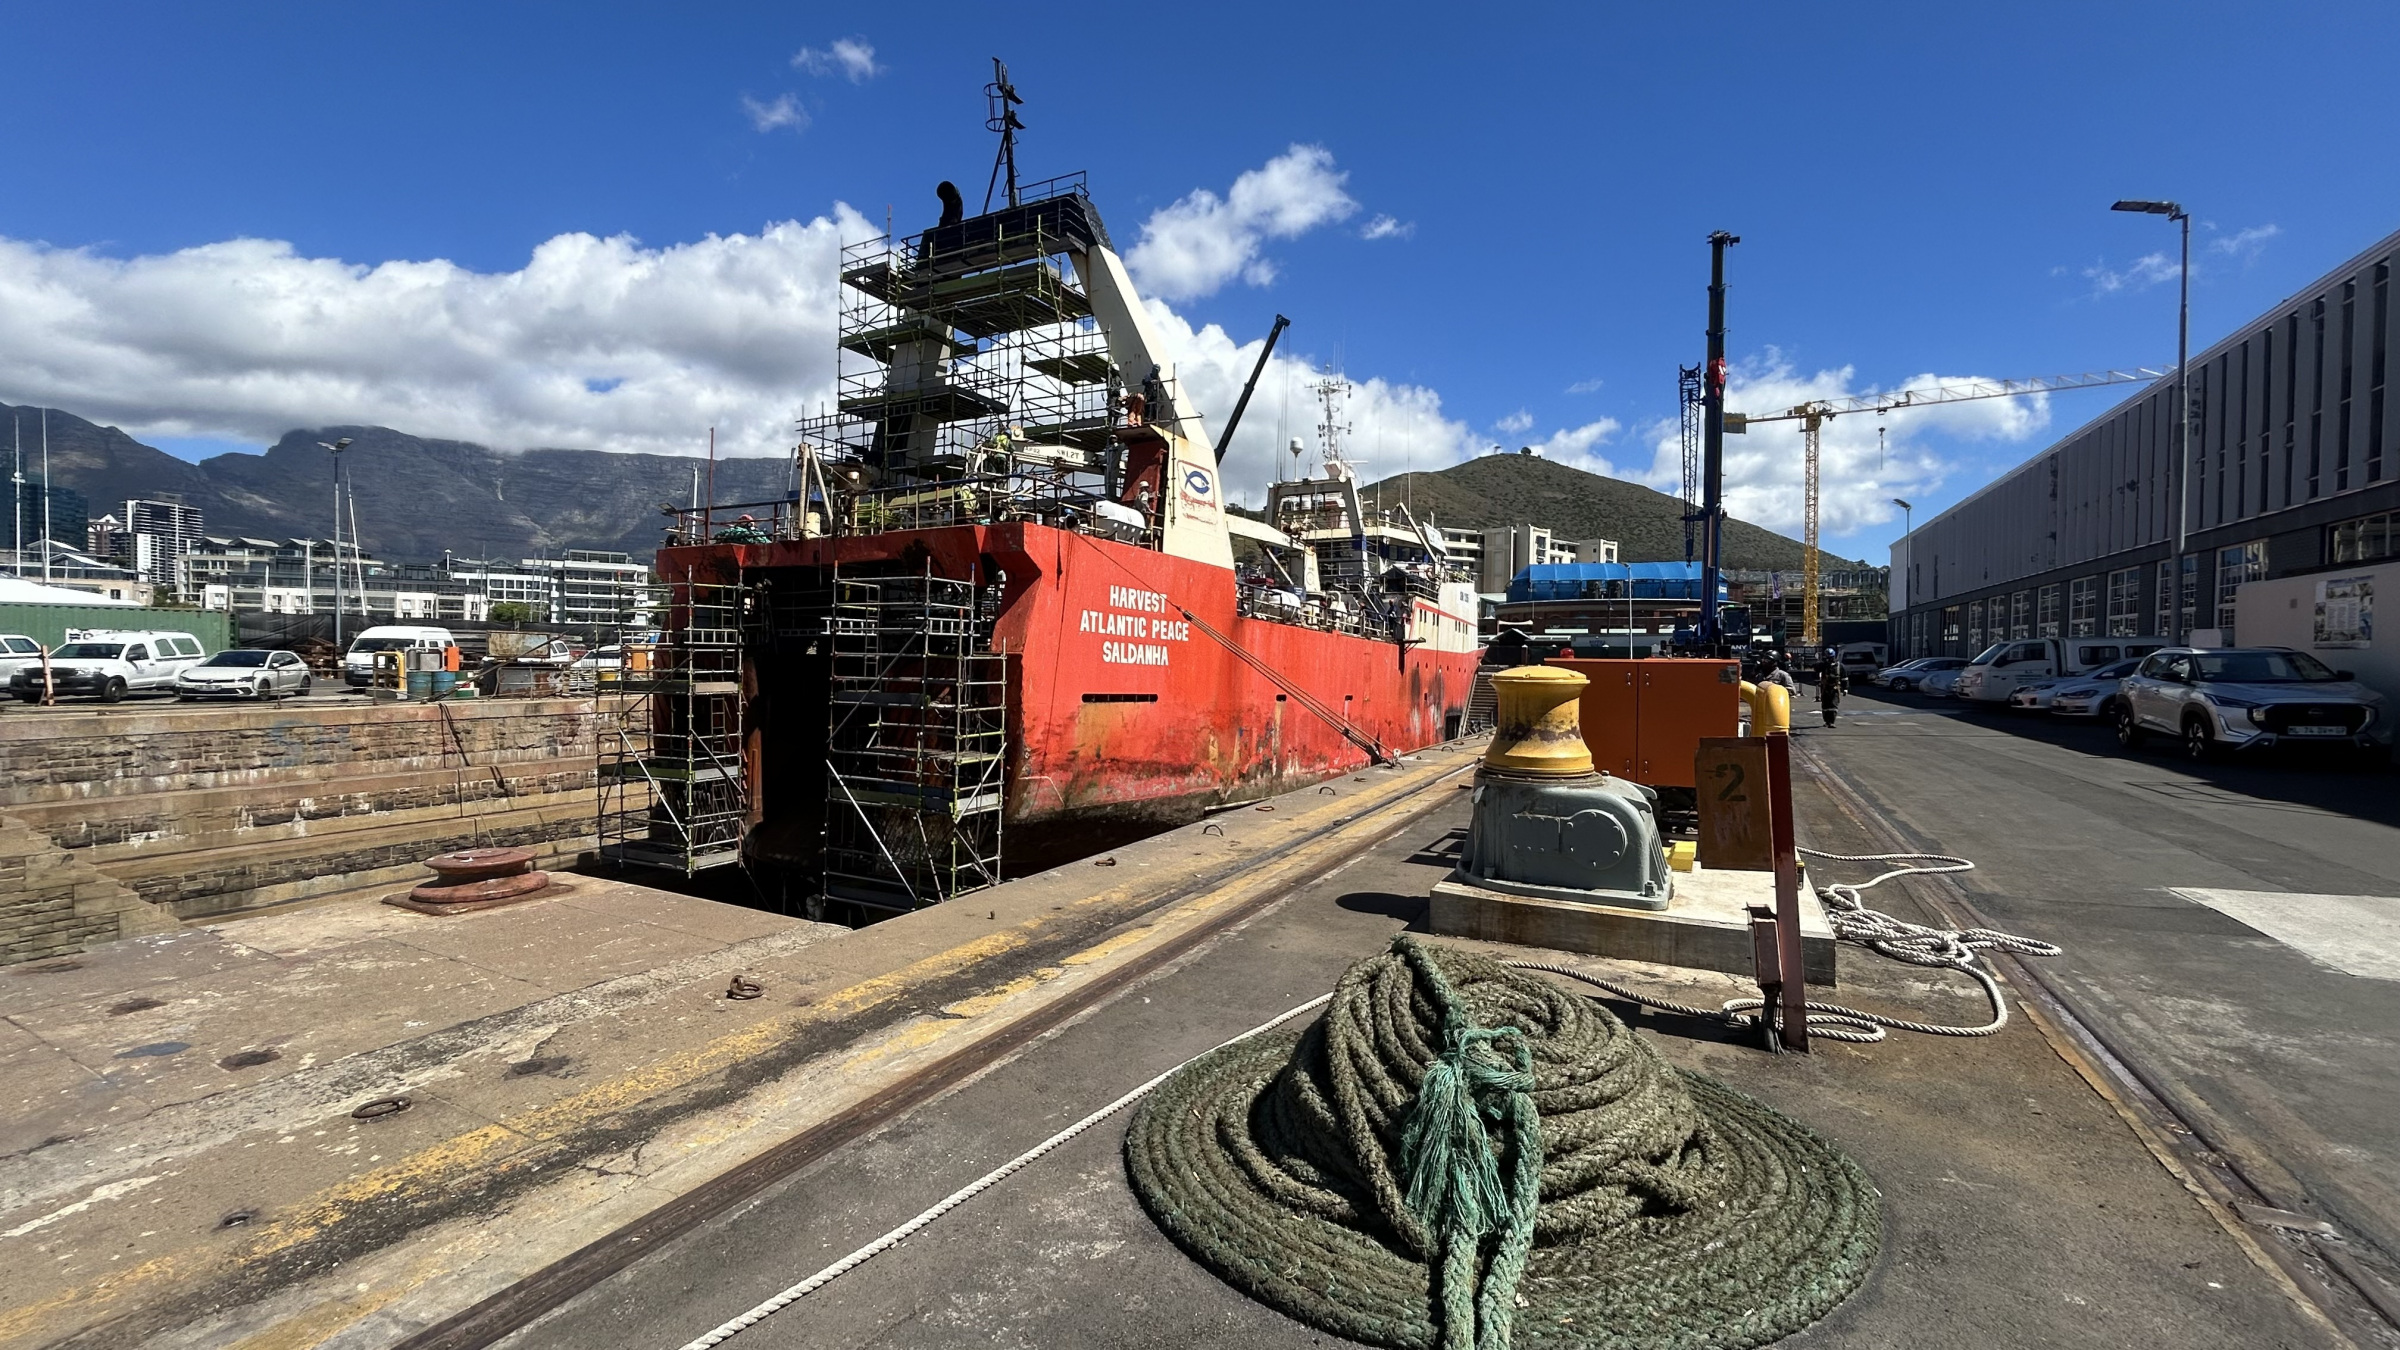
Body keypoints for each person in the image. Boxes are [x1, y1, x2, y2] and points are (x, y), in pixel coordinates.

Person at [1817, 651, 1846, 726]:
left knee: (1833, 704)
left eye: (1830, 657)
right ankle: (1826, 721)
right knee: (1825, 705)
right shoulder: (1824, 665)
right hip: (1825, 688)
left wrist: (1845, 688)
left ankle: (1832, 721)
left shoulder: (1839, 666)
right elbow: (1816, 669)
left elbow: (1844, 678)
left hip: (1835, 688)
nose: (1829, 659)